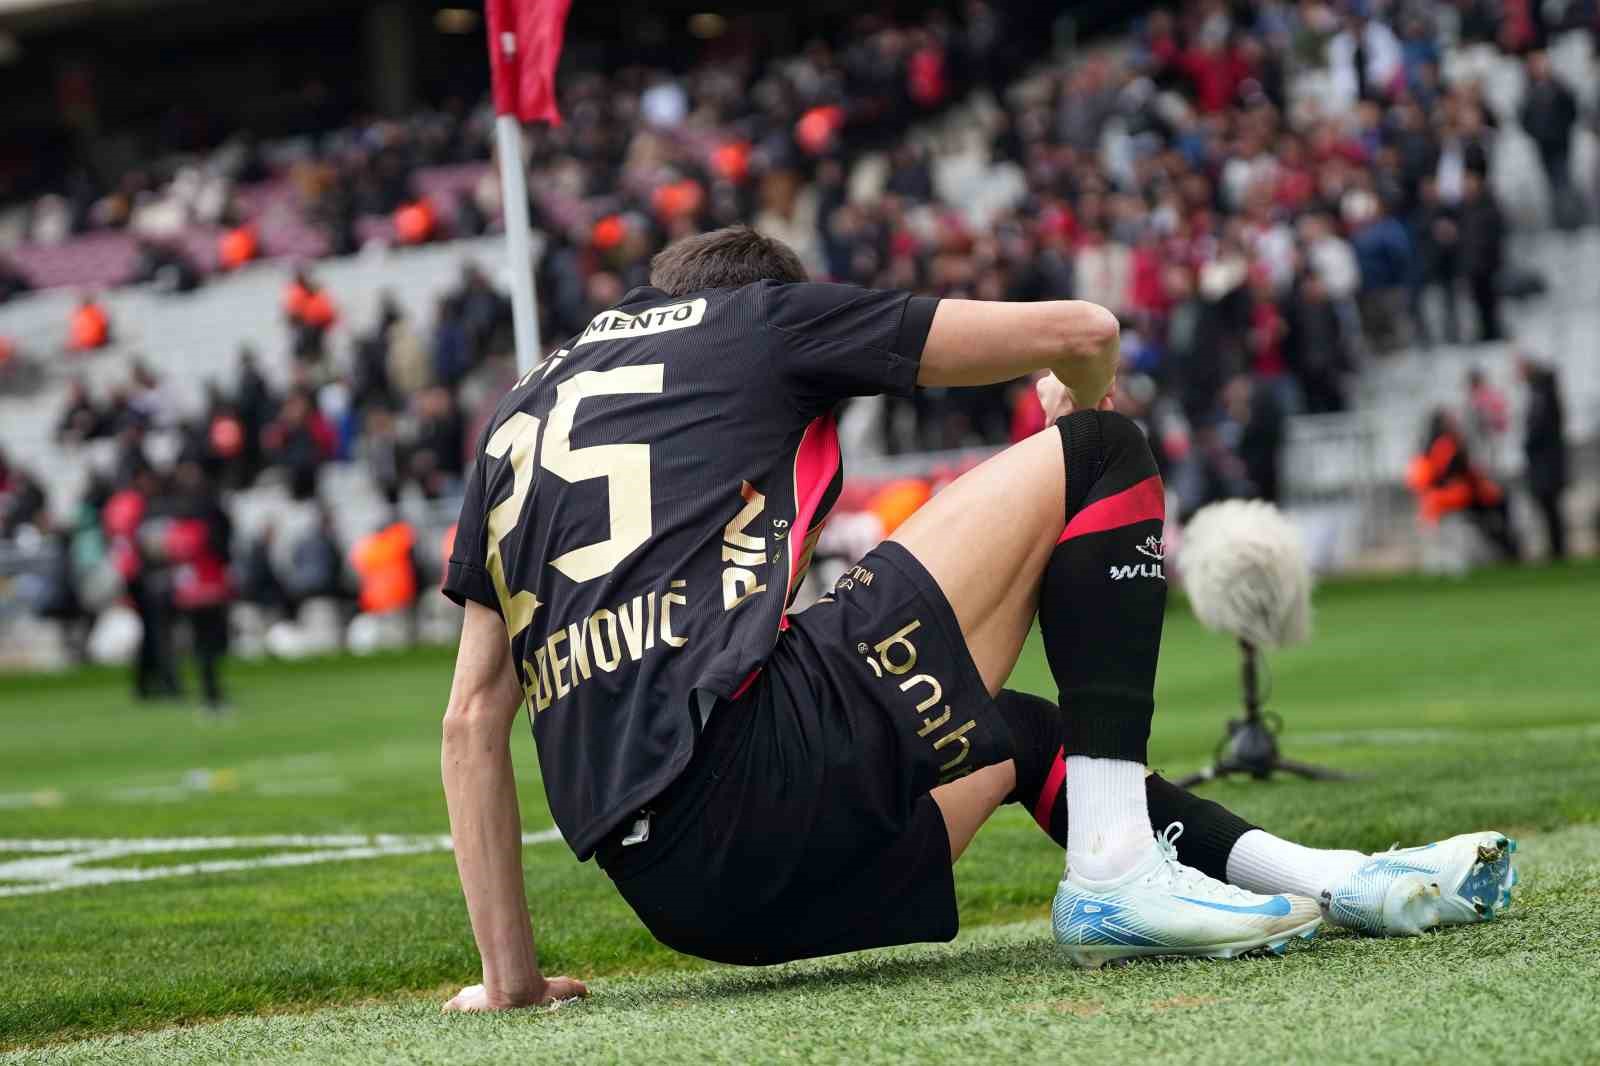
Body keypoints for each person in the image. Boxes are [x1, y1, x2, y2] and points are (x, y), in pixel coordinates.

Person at [437, 227, 1515, 1011]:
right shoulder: (757, 319)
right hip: (765, 786)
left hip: (691, 902)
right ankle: (1114, 874)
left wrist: (511, 980)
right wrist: (1077, 401)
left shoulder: (513, 417)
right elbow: (1081, 326)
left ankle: (1333, 879)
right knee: (1099, 457)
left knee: (1020, 732)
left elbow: (473, 720)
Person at [1517, 354, 1569, 559]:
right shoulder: (1545, 392)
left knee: (1550, 508)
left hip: (1546, 464)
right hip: (1548, 463)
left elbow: (1539, 430)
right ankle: (1556, 548)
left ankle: (1557, 550)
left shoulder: (1542, 394)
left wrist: (1528, 443)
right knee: (1550, 509)